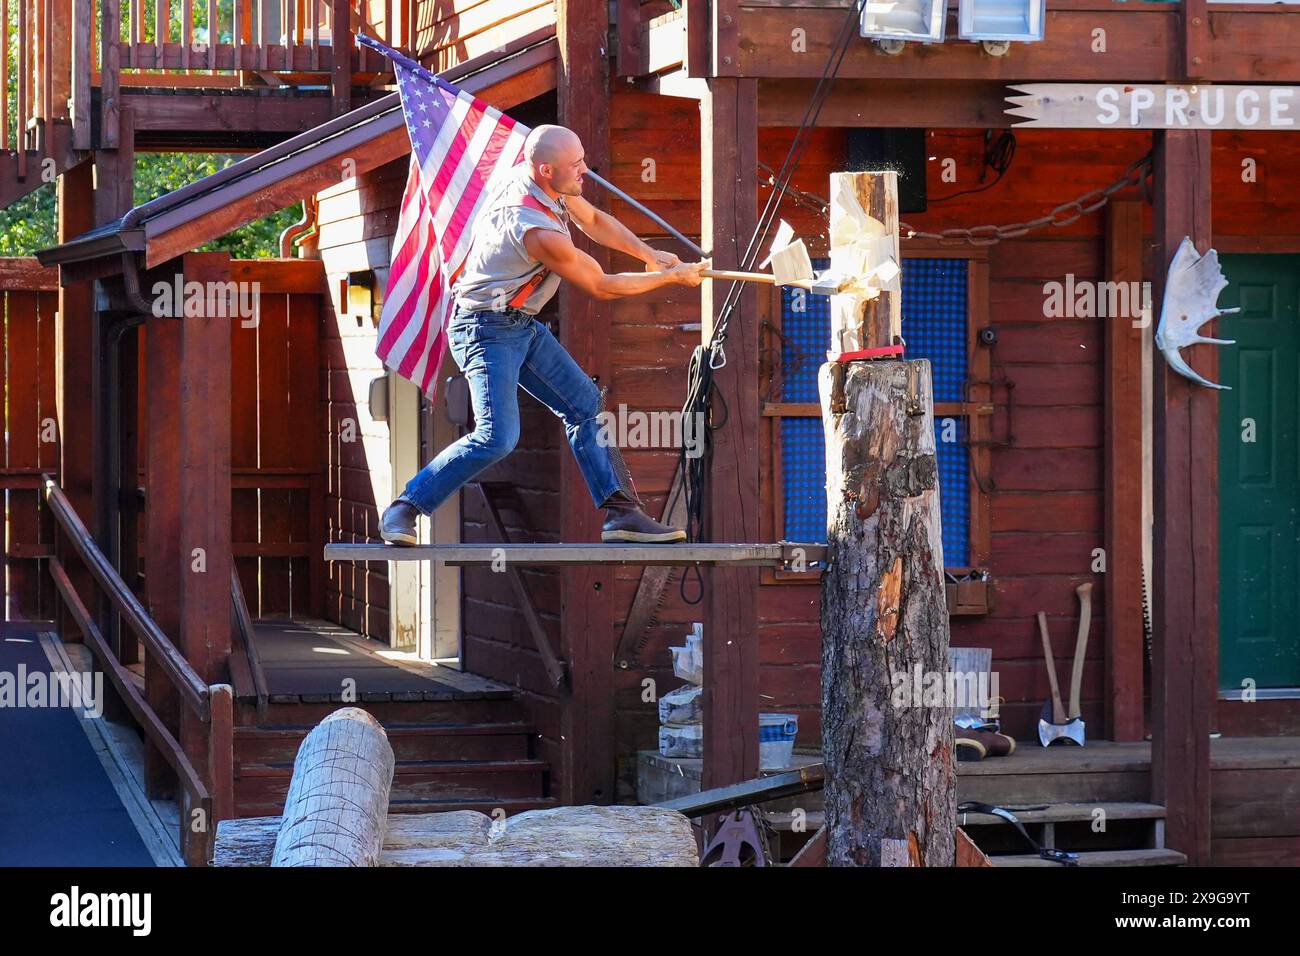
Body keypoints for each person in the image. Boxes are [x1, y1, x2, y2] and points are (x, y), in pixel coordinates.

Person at [380, 124, 710, 546]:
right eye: (576, 165)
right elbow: (601, 285)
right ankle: (405, 508)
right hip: (484, 328)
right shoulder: (535, 228)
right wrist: (672, 278)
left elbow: (593, 219)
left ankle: (621, 514)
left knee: (585, 404)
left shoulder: (546, 182)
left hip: (519, 322)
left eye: (582, 160)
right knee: (497, 437)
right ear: (545, 170)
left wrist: (650, 255)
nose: (585, 170)